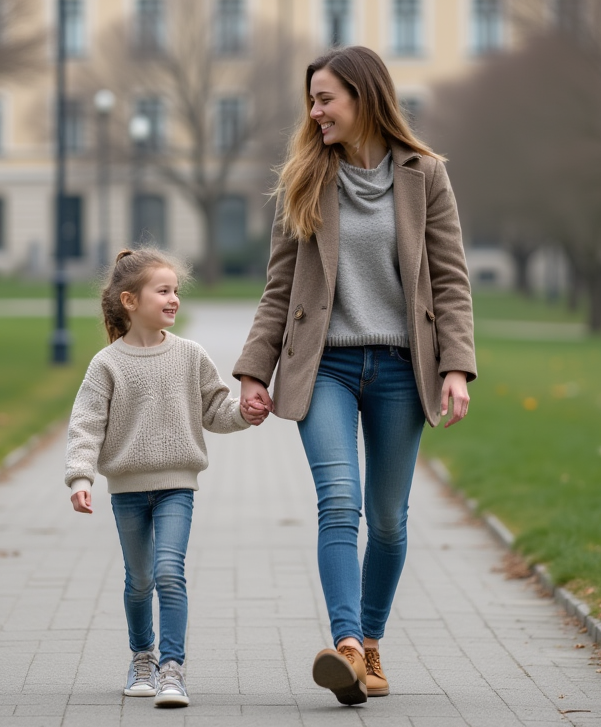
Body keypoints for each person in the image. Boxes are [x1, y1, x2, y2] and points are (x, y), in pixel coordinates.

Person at [234, 46, 477, 705]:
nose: (314, 114)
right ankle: (344, 646)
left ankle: (370, 645)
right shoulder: (306, 178)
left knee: (390, 522)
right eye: (311, 101)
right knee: (340, 503)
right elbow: (279, 286)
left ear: (364, 98)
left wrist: (456, 364)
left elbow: (450, 280)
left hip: (402, 369)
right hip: (328, 368)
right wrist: (256, 370)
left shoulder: (426, 176)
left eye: (325, 99)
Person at [64, 248, 264, 709]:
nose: (174, 299)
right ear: (130, 301)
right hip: (127, 491)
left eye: (176, 291)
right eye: (164, 291)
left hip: (178, 485)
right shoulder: (107, 364)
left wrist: (245, 414)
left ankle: (173, 669)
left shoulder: (191, 355)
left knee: (169, 573)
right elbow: (86, 423)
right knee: (139, 581)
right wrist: (80, 478)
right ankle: (142, 657)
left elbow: (215, 409)